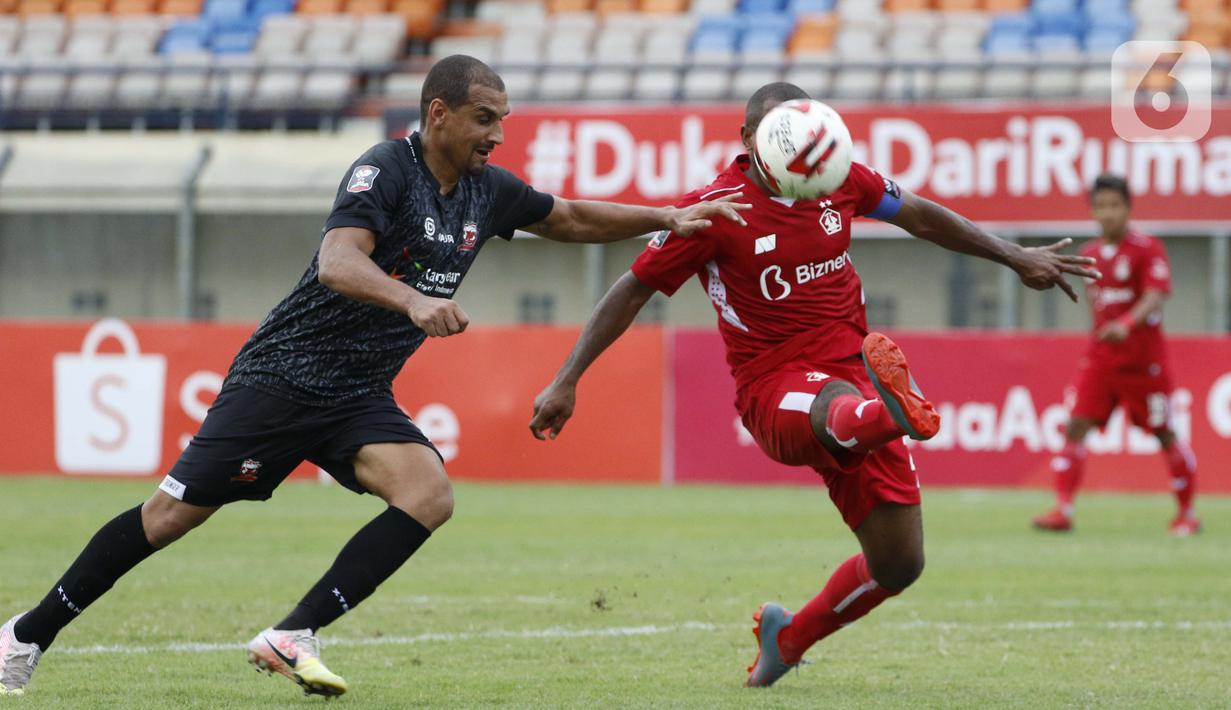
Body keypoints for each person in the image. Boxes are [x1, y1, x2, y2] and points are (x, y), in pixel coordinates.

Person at [0, 55, 749, 698]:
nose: (497, 134)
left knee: (428, 493)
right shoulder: (384, 168)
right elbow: (337, 262)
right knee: (168, 520)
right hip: (283, 376)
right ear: (439, 113)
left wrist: (663, 217)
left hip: (356, 395)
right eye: (485, 118)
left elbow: (572, 218)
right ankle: (25, 637)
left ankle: (294, 633)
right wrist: (413, 300)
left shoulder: (488, 192)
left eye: (504, 120)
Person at [528, 83, 1099, 688]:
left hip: (857, 369)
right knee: (839, 407)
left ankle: (788, 637)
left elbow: (921, 216)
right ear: (749, 141)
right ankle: (892, 414)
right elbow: (633, 287)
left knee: (900, 565)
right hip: (774, 387)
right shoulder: (715, 209)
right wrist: (567, 380)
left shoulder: (838, 175)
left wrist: (1013, 255)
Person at [1032, 174, 1199, 536]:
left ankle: (1187, 514)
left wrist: (1126, 322)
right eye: (1101, 206)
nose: (1107, 214)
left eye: (1114, 206)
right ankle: (1063, 509)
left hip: (1144, 362)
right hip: (1101, 359)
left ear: (1128, 208)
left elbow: (1155, 294)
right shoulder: (1090, 254)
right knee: (1075, 426)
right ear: (1093, 210)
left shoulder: (1147, 248)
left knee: (1165, 432)